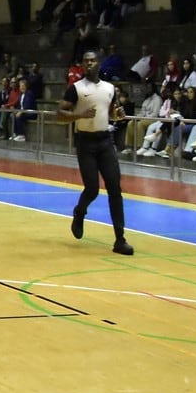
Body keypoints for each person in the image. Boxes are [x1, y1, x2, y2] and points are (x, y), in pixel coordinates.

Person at [58, 50, 135, 255]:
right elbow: (60, 114)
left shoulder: (110, 88)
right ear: (82, 65)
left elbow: (111, 111)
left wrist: (118, 114)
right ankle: (79, 212)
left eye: (93, 60)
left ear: (98, 64)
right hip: (85, 142)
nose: (90, 64)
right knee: (92, 189)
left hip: (105, 141)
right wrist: (78, 114)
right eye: (86, 61)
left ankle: (120, 239)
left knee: (114, 188)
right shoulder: (76, 89)